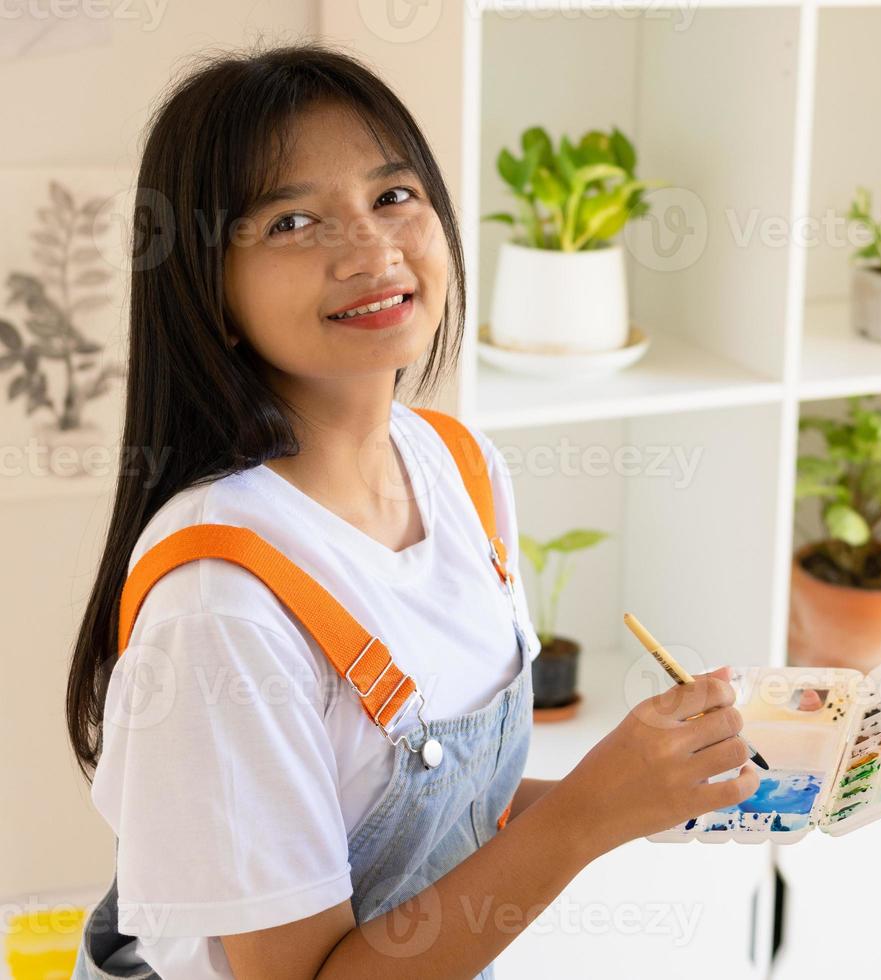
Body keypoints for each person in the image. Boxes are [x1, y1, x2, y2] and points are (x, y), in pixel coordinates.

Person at [63, 41, 759, 980]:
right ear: (209, 294)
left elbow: (450, 823)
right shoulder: (218, 608)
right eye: (294, 221)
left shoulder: (457, 466)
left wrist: (649, 788)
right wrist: (594, 811)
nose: (372, 249)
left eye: (394, 197)